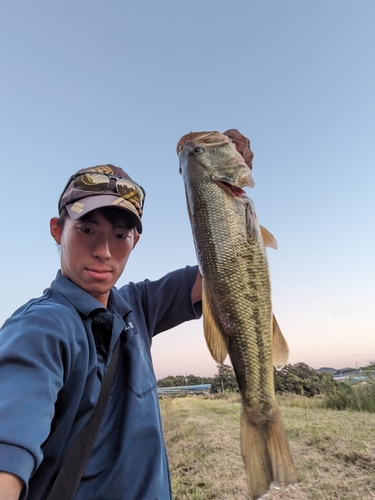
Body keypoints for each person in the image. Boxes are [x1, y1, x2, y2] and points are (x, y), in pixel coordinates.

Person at [0, 130, 251, 500]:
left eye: (120, 235)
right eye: (87, 229)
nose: (104, 250)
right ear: (58, 230)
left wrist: (224, 189)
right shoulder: (41, 328)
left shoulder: (135, 306)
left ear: (135, 241)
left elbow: (224, 268)